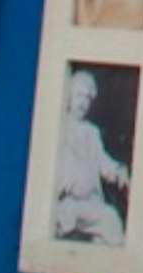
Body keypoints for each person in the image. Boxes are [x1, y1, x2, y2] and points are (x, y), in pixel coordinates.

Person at [51, 66, 128, 245]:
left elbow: (103, 163)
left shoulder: (91, 132)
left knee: (111, 220)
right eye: (79, 96)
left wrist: (118, 170)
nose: (83, 103)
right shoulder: (56, 127)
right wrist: (69, 184)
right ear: (69, 96)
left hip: (90, 203)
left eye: (88, 98)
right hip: (65, 202)